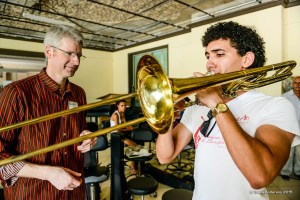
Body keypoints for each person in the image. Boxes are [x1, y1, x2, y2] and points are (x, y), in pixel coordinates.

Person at [155, 21, 300, 200]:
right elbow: (164, 157)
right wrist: (166, 116)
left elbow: (260, 176)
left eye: (219, 55)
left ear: (246, 60)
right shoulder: (197, 109)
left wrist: (216, 104)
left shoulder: (275, 106)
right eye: (208, 56)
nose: (209, 64)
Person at [0, 25, 97, 200]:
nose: (77, 62)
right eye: (70, 54)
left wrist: (88, 136)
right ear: (49, 52)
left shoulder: (78, 93)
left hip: (74, 192)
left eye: (79, 55)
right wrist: (48, 173)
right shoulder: (15, 93)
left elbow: (80, 132)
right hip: (33, 194)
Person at [280, 76, 300, 180]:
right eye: (295, 83)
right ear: (292, 84)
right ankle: (285, 172)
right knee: (289, 152)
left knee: (299, 153)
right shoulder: (285, 97)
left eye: (299, 83)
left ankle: (298, 171)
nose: (297, 85)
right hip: (289, 128)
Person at [110, 99, 138, 174]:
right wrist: (129, 128)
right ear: (117, 106)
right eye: (122, 105)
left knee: (136, 141)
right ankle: (132, 167)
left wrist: (131, 127)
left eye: (125, 105)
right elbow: (118, 130)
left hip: (121, 135)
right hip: (116, 136)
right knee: (135, 146)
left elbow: (125, 125)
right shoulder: (115, 115)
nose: (124, 107)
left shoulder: (122, 114)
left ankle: (135, 164)